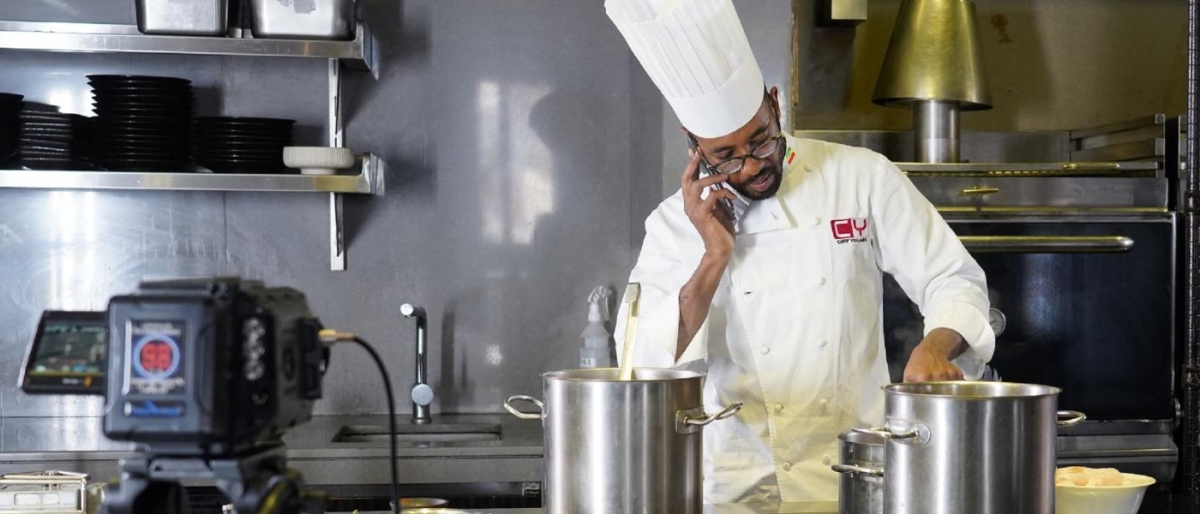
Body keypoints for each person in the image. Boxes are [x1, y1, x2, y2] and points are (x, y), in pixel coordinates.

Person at [606, 0, 996, 504]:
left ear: (775, 104)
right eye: (726, 156)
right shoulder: (672, 224)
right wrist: (713, 256)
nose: (752, 166)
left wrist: (935, 346)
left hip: (855, 473)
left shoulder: (861, 177)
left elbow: (954, 279)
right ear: (693, 147)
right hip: (734, 487)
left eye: (761, 140)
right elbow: (637, 362)